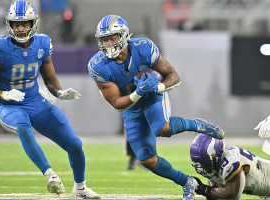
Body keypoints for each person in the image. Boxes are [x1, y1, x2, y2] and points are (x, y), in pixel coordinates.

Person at [87, 14, 225, 200]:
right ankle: (187, 182)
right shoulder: (97, 66)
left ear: (124, 36)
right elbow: (117, 104)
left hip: (153, 96)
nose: (108, 43)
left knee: (162, 128)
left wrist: (157, 87)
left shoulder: (143, 47)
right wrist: (138, 93)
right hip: (131, 106)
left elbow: (174, 76)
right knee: (147, 159)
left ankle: (197, 124)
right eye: (104, 40)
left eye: (113, 38)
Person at [0, 1, 100, 199]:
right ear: (10, 25)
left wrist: (59, 92)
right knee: (23, 126)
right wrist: (3, 94)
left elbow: (50, 79)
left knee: (75, 145)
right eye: (17, 24)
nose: (21, 28)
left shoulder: (42, 44)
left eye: (25, 23)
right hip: (10, 106)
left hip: (36, 102)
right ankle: (50, 175)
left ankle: (80, 187)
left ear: (33, 23)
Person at [190, 134, 270, 200]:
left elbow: (232, 196)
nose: (204, 170)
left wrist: (202, 189)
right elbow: (216, 194)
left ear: (216, 155)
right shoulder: (219, 158)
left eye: (206, 165)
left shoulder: (230, 163)